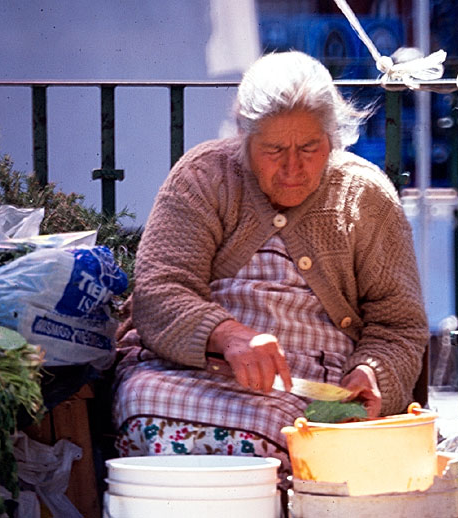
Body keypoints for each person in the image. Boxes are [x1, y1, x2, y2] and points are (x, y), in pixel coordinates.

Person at [111, 51, 429, 487]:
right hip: (194, 374)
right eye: (274, 150)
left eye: (309, 148)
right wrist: (228, 336)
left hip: (316, 383)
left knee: (305, 434)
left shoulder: (366, 195)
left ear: (332, 139)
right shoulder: (204, 175)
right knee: (142, 398)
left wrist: (370, 373)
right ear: (244, 137)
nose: (293, 168)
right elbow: (159, 291)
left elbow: (399, 324)